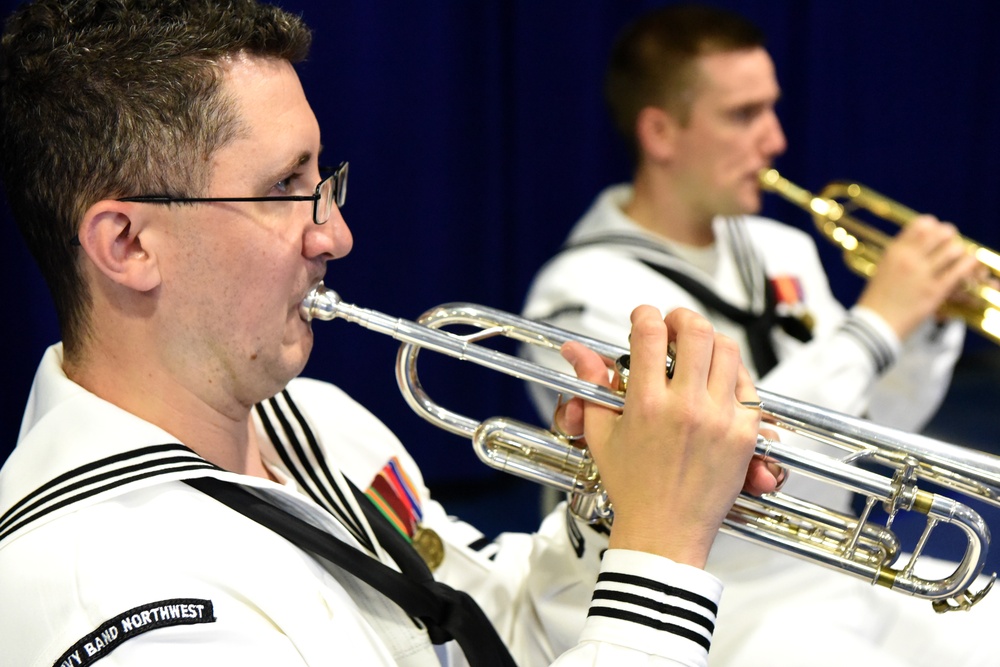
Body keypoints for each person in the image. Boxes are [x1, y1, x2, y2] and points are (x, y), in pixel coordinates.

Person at [0, 1, 784, 666]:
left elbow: (485, 629)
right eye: (284, 187)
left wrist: (618, 509)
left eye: (321, 178)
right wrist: (661, 557)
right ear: (126, 244)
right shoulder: (111, 594)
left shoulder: (316, 418)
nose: (335, 234)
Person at [521, 5, 998, 667]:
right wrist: (876, 325)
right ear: (661, 132)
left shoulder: (782, 247)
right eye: (744, 115)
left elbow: (871, 427)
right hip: (714, 598)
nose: (775, 139)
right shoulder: (580, 292)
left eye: (771, 109)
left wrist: (926, 325)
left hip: (838, 568)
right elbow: (715, 467)